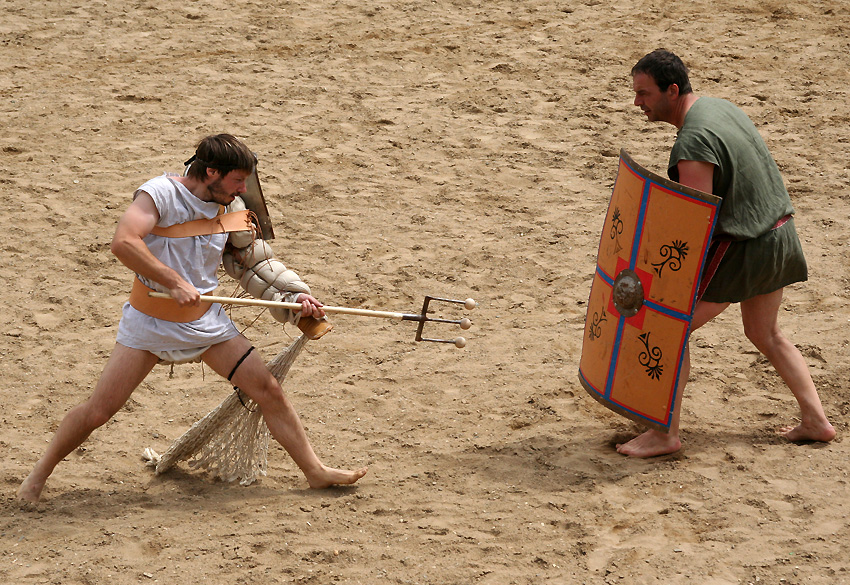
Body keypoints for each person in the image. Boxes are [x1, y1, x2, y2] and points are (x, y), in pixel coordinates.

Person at [18, 134, 367, 502]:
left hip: (208, 323)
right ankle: (39, 475)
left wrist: (295, 296)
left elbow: (255, 263)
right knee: (99, 411)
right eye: (237, 180)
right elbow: (124, 241)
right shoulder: (158, 194)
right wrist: (174, 281)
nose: (243, 189)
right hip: (150, 323)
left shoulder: (231, 202)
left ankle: (315, 472)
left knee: (268, 390)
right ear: (211, 172)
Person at [617, 49, 835, 457]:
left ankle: (665, 434)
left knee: (670, 332)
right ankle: (816, 421)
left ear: (672, 89)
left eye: (644, 94)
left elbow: (693, 224)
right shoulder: (719, 108)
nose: (637, 104)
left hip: (747, 248)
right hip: (780, 235)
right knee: (765, 332)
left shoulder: (694, 141)